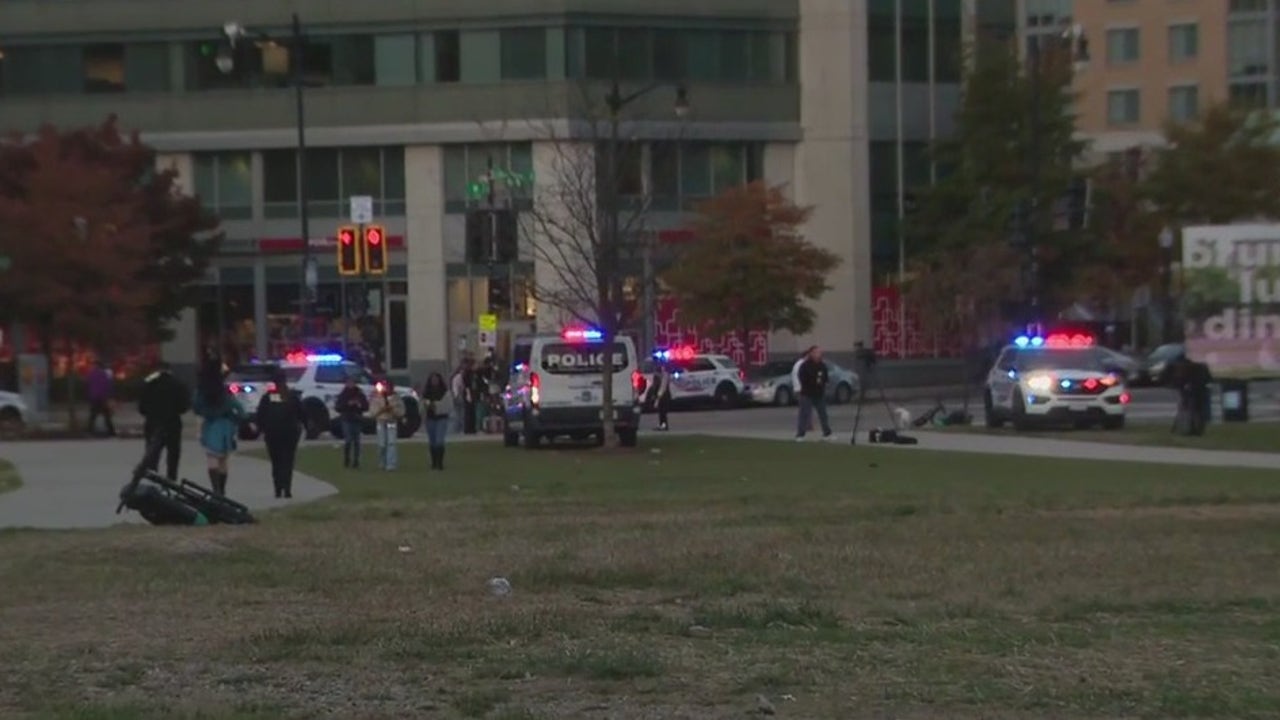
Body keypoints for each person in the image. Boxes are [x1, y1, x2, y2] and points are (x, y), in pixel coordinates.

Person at [192, 358, 245, 496]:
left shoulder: (201, 390)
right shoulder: (224, 391)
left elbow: (196, 407)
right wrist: (239, 419)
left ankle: (215, 489)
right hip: (226, 425)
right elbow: (237, 408)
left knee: (212, 457)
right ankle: (222, 489)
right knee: (223, 459)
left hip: (210, 425)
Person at [256, 368, 305, 498]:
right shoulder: (291, 396)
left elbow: (261, 414)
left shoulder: (269, 397)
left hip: (272, 433)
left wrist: (260, 429)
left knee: (276, 461)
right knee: (288, 461)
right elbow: (301, 413)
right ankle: (287, 489)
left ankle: (278, 489)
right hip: (290, 433)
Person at [137, 361, 190, 480]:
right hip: (172, 422)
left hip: (153, 422)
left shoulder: (149, 384)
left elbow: (141, 406)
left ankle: (152, 475)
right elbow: (184, 406)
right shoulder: (178, 384)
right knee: (173, 453)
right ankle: (172, 477)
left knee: (152, 451)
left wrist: (149, 413)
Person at [796, 345, 832, 441]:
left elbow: (825, 378)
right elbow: (802, 378)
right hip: (807, 393)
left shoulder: (822, 365)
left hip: (819, 394)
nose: (818, 354)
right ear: (811, 353)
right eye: (816, 352)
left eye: (819, 352)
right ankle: (800, 434)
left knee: (823, 414)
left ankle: (827, 433)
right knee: (804, 414)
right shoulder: (805, 366)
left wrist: (824, 384)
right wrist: (810, 384)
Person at [368, 378, 406, 471]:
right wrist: (382, 410)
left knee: (391, 443)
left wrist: (392, 410)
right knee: (382, 443)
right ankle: (382, 462)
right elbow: (372, 413)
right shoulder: (377, 397)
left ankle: (391, 464)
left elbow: (401, 412)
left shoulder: (396, 398)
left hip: (391, 421)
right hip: (381, 421)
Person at [335, 374, 369, 469]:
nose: (350, 384)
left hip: (357, 419)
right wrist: (347, 404)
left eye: (352, 382)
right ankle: (347, 459)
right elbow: (338, 407)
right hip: (347, 419)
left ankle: (356, 461)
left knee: (357, 441)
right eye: (348, 382)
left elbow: (366, 406)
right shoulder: (343, 394)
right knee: (348, 440)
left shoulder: (359, 394)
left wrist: (359, 405)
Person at [421, 372, 454, 470]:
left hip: (441, 419)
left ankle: (440, 463)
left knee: (439, 441)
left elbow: (447, 406)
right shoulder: (427, 392)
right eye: (432, 379)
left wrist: (435, 405)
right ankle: (434, 462)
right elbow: (422, 404)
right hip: (430, 419)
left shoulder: (444, 392)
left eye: (436, 379)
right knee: (432, 441)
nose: (434, 381)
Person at [85, 360, 116, 437]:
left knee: (93, 415)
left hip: (94, 397)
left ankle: (89, 430)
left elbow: (88, 385)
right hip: (103, 398)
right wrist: (109, 396)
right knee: (106, 415)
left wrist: (89, 395)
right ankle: (111, 431)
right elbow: (108, 386)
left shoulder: (91, 374)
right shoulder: (104, 374)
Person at [652, 362, 673, 431]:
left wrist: (658, 397)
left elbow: (663, 387)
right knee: (661, 412)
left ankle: (664, 426)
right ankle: (662, 425)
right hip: (661, 394)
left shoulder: (665, 376)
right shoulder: (660, 375)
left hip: (664, 395)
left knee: (663, 412)